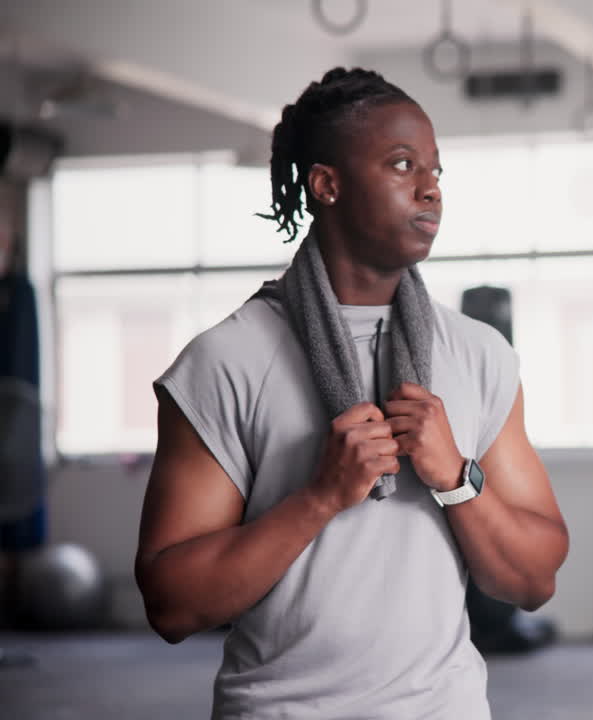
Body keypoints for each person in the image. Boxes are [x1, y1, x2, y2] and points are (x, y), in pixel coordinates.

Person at [135, 67, 568, 719]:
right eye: (401, 164)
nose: (430, 189)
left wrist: (454, 477)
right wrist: (320, 498)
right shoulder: (226, 360)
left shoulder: (479, 355)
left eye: (436, 170)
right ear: (326, 185)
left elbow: (534, 580)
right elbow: (171, 604)